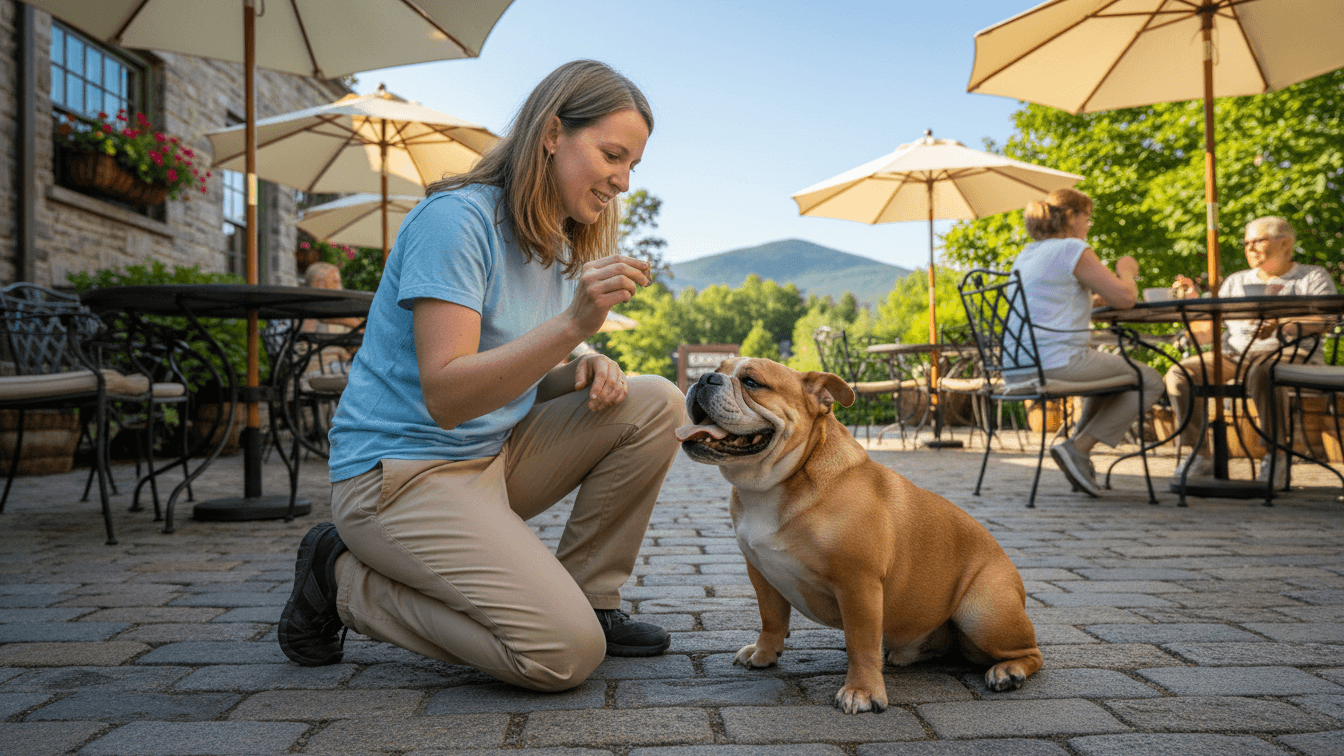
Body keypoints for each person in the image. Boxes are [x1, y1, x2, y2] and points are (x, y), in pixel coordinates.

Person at [277, 60, 686, 692]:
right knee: (562, 656)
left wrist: (577, 368)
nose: (623, 182)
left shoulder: (551, 242)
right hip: (400, 477)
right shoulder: (457, 222)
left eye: (633, 166)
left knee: (654, 399)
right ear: (552, 133)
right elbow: (448, 394)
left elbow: (516, 369)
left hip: (488, 461)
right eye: (612, 155)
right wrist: (575, 325)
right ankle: (340, 581)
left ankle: (591, 600)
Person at [1009, 187, 1164, 497]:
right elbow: (1124, 298)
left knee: (1111, 378)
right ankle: (1078, 448)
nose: (1088, 226)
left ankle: (1075, 452)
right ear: (1072, 217)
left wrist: (1088, 302)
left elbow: (1055, 301)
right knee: (1150, 379)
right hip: (1057, 361)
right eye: (1088, 219)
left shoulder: (1028, 253)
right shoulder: (1072, 248)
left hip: (1017, 364)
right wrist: (1127, 271)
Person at [1164, 216, 1339, 485]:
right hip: (1234, 356)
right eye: (1246, 243)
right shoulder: (1236, 281)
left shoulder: (1311, 277)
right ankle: (1200, 454)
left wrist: (1283, 324)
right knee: (1180, 373)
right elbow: (1208, 332)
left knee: (1263, 370)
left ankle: (1276, 453)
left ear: (1285, 243)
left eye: (1257, 241)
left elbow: (1328, 320)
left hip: (1294, 355)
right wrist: (1191, 304)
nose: (1250, 248)